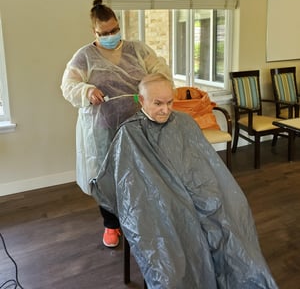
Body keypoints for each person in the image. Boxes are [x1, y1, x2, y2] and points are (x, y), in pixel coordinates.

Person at [92, 73, 278, 289]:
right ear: (141, 100)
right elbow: (127, 187)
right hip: (158, 207)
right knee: (173, 263)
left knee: (234, 241)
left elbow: (204, 166)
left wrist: (205, 195)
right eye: (158, 103)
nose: (165, 109)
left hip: (198, 194)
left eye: (170, 102)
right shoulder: (129, 134)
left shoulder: (185, 123)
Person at [61, 0, 171, 248]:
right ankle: (111, 225)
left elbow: (159, 70)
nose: (111, 36)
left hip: (139, 126)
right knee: (107, 177)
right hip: (103, 129)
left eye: (114, 30)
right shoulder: (85, 56)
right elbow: (68, 85)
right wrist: (87, 91)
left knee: (139, 174)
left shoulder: (138, 50)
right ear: (94, 32)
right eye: (105, 33)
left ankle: (140, 220)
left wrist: (153, 87)